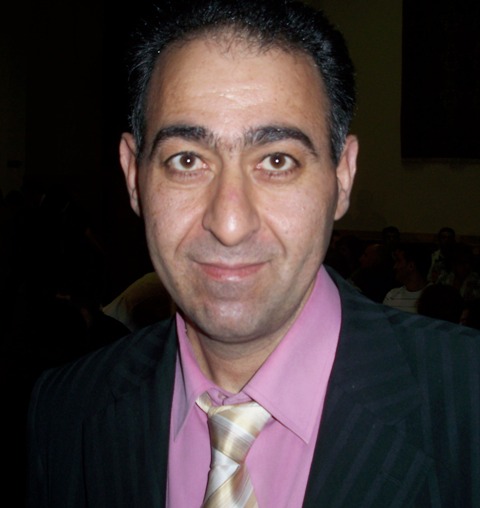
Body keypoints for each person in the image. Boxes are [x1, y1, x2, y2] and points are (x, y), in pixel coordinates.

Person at [26, 1, 480, 507]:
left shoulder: (469, 397)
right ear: (134, 176)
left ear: (343, 176)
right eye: (187, 160)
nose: (229, 224)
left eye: (277, 160)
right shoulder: (64, 411)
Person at [383, 242, 431, 313]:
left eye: (398, 261)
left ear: (411, 266)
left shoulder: (436, 297)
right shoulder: (392, 295)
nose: (395, 267)